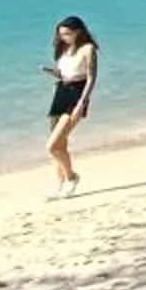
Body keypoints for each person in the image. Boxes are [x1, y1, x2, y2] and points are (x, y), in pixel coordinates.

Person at [42, 15, 99, 198]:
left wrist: (82, 103)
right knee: (60, 144)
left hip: (77, 94)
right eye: (61, 34)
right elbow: (65, 74)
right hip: (61, 92)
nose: (63, 37)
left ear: (78, 32)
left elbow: (90, 78)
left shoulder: (88, 49)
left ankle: (72, 177)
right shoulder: (65, 49)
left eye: (67, 34)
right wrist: (53, 72)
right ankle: (60, 185)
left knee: (52, 146)